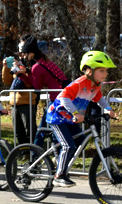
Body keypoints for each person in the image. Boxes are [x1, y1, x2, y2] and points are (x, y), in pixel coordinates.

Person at [47, 51, 117, 187]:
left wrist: (107, 108)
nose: (105, 74)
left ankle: (58, 157)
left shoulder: (96, 85)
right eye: (101, 70)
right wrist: (75, 112)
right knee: (68, 145)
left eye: (106, 71)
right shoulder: (80, 83)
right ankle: (59, 176)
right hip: (58, 117)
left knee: (79, 142)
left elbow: (98, 98)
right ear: (89, 71)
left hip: (72, 118)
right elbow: (64, 97)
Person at [14, 34, 69, 146]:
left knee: (43, 130)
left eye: (25, 54)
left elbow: (36, 87)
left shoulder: (37, 67)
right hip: (64, 96)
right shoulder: (45, 61)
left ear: (31, 53)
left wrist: (22, 74)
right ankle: (49, 153)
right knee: (52, 128)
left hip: (56, 99)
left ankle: (36, 156)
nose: (24, 57)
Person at [2, 55, 37, 146]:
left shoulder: (30, 66)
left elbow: (31, 84)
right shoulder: (15, 68)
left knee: (29, 130)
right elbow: (6, 80)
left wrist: (21, 73)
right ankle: (24, 152)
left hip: (27, 102)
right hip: (14, 102)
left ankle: (34, 152)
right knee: (18, 131)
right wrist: (6, 67)